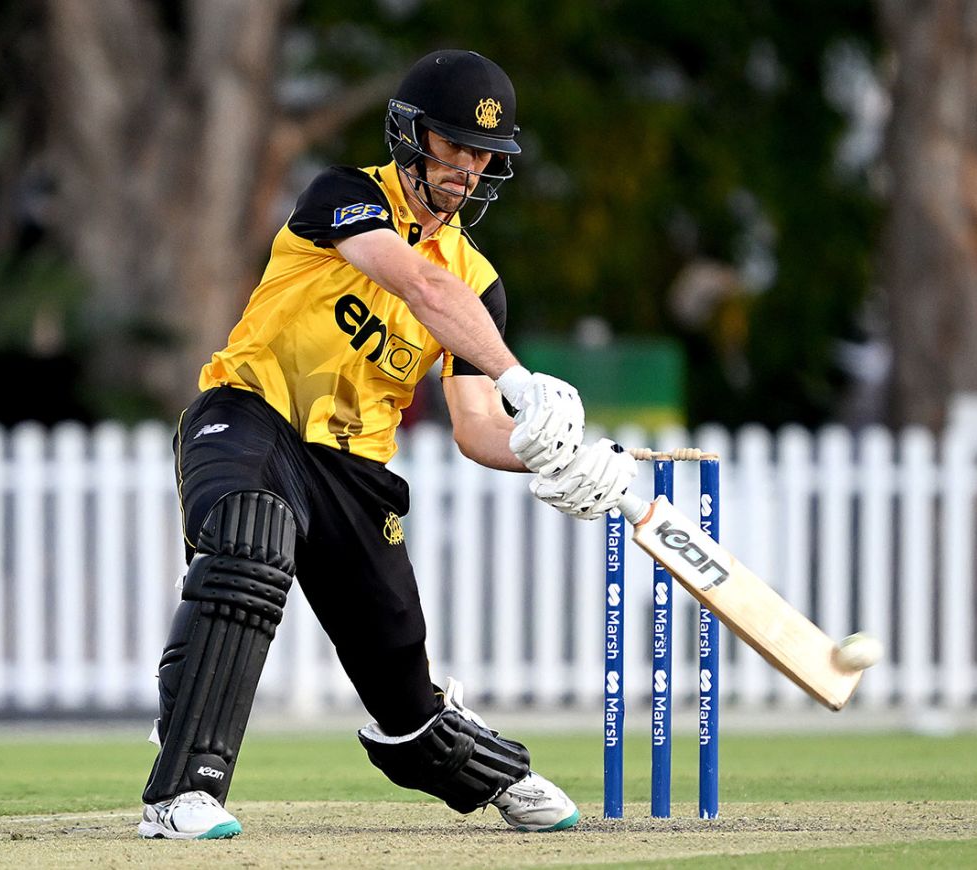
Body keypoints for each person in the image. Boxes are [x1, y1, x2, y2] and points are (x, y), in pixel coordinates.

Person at [137, 49, 636, 840]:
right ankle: (182, 789)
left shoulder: (481, 280)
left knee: (403, 686)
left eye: (484, 155)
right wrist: (523, 377)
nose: (469, 169)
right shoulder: (344, 196)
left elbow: (475, 427)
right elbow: (418, 286)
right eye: (454, 146)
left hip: (354, 471)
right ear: (410, 136)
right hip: (250, 414)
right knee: (250, 538)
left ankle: (490, 768)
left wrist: (560, 455)